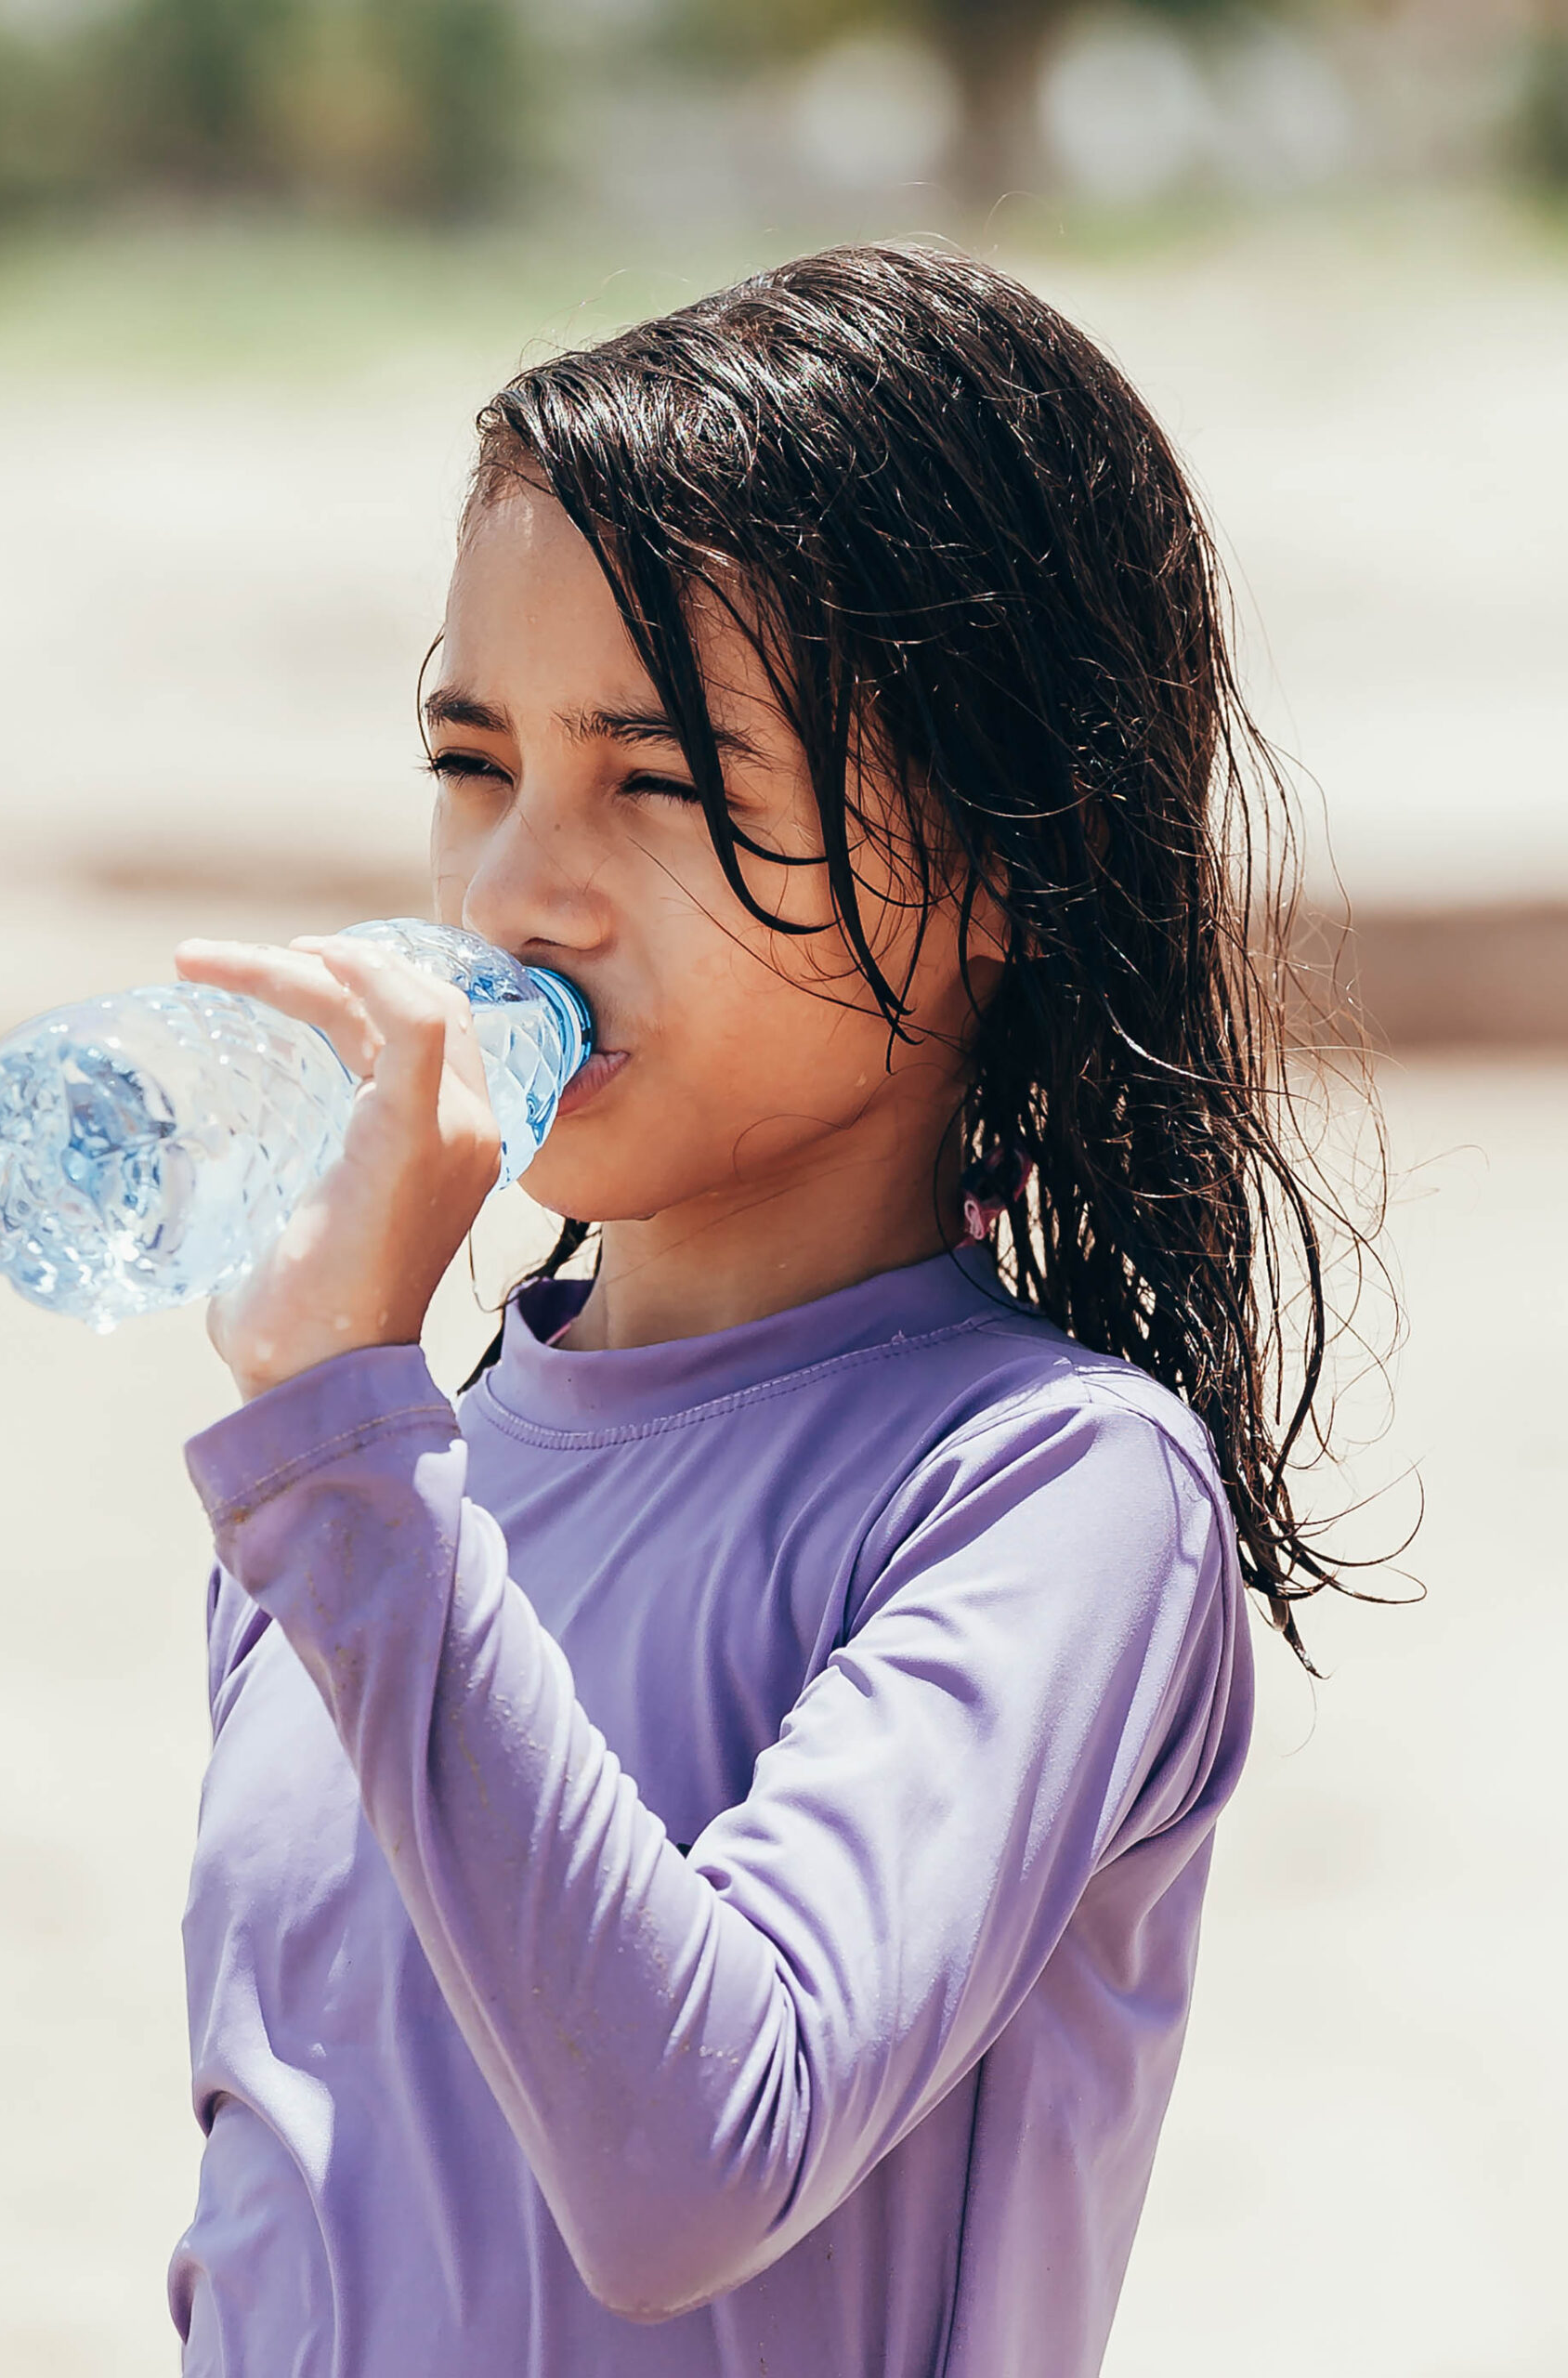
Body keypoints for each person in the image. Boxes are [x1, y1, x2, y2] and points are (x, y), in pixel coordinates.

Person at [166, 242, 1378, 2377]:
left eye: (658, 781)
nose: (518, 890)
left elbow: (685, 2172)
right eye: (476, 761)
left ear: (1017, 847)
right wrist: (352, 1453)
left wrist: (350, 1454)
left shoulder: (1050, 1496)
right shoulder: (364, 1490)